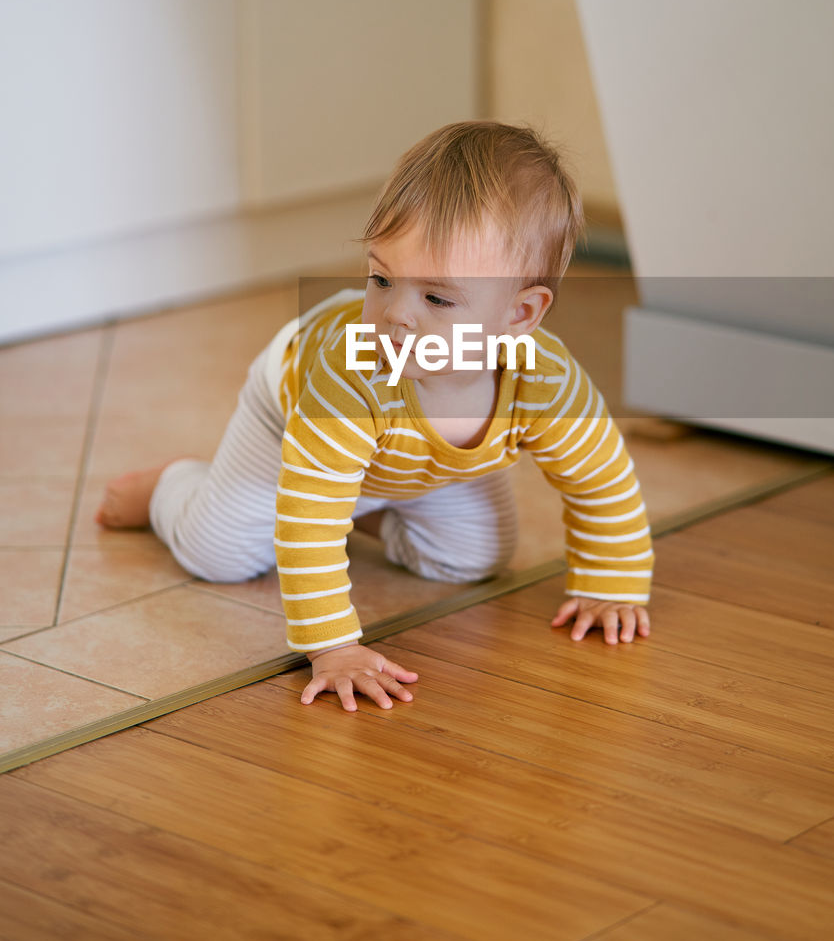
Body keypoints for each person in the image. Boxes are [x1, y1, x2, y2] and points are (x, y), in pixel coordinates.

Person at [96, 121, 654, 712]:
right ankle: (172, 487)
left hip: (408, 463)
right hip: (289, 413)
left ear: (520, 314)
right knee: (222, 554)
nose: (395, 315)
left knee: (474, 560)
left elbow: (602, 481)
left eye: (437, 298)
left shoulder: (546, 381)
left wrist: (610, 586)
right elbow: (309, 517)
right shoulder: (351, 371)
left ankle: (362, 503)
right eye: (381, 278)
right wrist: (333, 647)